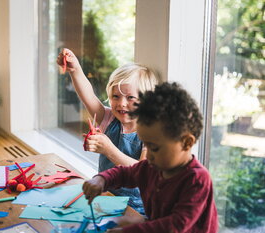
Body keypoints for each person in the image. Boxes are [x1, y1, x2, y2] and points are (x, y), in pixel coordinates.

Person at [82, 82, 219, 233]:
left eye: (154, 148)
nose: (149, 156)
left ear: (186, 143)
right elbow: (125, 173)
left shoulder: (197, 180)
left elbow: (175, 226)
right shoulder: (152, 166)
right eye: (145, 144)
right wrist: (101, 179)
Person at [56, 48, 159, 214]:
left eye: (130, 97)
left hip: (137, 210)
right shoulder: (110, 119)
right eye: (115, 97)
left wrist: (109, 150)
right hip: (105, 198)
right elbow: (88, 95)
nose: (121, 104)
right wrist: (75, 69)